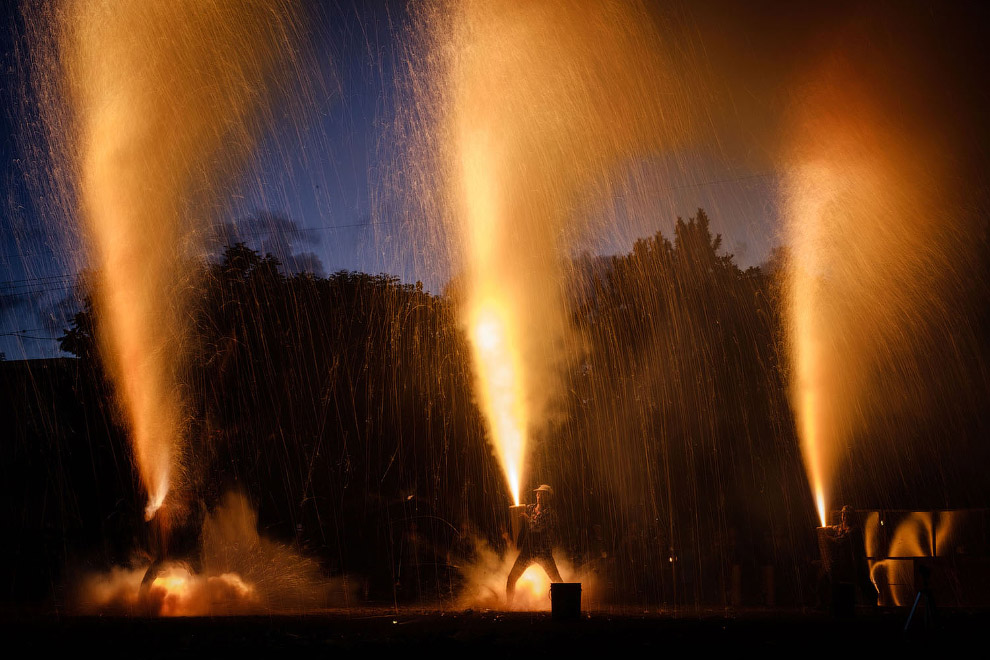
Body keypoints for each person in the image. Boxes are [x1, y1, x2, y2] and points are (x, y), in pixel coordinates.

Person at [506, 484, 563, 607]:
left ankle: (565, 605)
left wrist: (527, 519)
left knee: (557, 580)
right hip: (528, 552)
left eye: (543, 494)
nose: (539, 496)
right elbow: (517, 513)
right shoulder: (530, 508)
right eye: (538, 493)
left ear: (548, 497)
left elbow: (538, 528)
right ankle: (508, 606)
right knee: (511, 578)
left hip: (543, 553)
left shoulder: (550, 514)